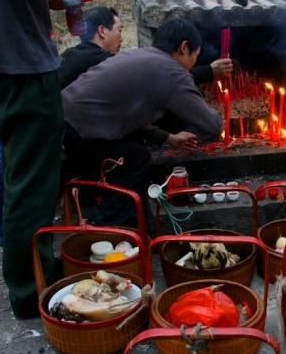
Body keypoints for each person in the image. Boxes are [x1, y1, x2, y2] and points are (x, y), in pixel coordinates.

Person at [61, 17, 223, 226]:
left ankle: (134, 228)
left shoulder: (138, 54)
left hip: (61, 121)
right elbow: (212, 124)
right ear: (184, 48)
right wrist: (218, 119)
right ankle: (111, 231)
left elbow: (126, 115)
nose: (192, 64)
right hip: (75, 136)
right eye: (196, 56)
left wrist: (168, 138)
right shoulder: (172, 71)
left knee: (135, 152)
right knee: (135, 159)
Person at [0, 0, 64, 318]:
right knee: (33, 187)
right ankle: (31, 288)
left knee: (18, 175)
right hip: (23, 67)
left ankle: (30, 271)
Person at [59, 6, 123, 89]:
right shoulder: (105, 62)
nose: (121, 39)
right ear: (102, 31)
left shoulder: (67, 55)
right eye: (119, 30)